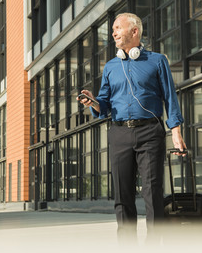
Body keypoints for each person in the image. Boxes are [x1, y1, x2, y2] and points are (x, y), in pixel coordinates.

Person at [78, 13, 186, 240]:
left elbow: (170, 97)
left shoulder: (157, 61)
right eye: (113, 29)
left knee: (152, 192)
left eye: (118, 28)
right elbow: (104, 106)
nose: (114, 33)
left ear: (134, 31)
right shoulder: (110, 67)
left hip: (150, 132)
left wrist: (175, 130)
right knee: (122, 196)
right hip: (119, 133)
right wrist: (93, 101)